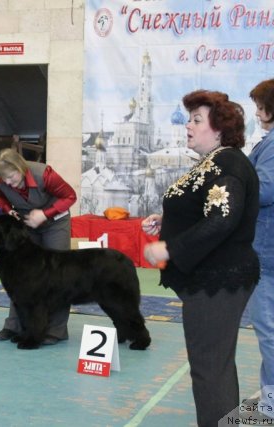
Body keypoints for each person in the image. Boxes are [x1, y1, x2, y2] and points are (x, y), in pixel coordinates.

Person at [142, 90, 260, 427]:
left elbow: (223, 219)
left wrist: (171, 248)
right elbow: (208, 209)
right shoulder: (214, 162)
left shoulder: (229, 162)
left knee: (209, 367)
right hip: (211, 277)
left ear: (219, 128)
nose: (188, 126)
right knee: (215, 364)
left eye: (197, 120)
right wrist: (168, 222)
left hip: (218, 279)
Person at [0, 148, 77, 345]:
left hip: (55, 223)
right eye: (5, 180)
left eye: (12, 177)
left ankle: (56, 330)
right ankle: (15, 325)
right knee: (20, 277)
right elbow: (0, 197)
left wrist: (45, 214)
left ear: (20, 167)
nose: (9, 183)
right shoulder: (1, 179)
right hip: (26, 224)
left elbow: (70, 197)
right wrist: (8, 210)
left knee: (59, 276)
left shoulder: (45, 174)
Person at [243, 79, 274, 421]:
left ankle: (272, 404)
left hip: (266, 251)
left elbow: (264, 191)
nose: (256, 111)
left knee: (269, 331)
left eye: (260, 104)